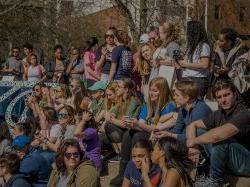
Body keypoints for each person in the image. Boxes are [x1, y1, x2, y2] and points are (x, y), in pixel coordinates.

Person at [110, 77, 174, 186]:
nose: (151, 93)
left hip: (160, 137)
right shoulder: (148, 104)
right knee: (128, 134)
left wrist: (138, 124)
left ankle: (135, 170)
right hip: (148, 133)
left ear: (162, 91)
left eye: (155, 90)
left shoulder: (168, 107)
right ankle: (124, 171)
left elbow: (158, 129)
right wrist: (132, 124)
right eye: (150, 90)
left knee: (137, 136)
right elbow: (141, 123)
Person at [186, 80, 250, 185]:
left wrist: (193, 141)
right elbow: (192, 125)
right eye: (219, 97)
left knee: (221, 140)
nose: (223, 100)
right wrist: (193, 146)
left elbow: (218, 136)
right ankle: (205, 171)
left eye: (226, 95)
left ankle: (215, 182)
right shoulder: (218, 113)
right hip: (229, 161)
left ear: (234, 94)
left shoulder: (244, 113)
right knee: (200, 131)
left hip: (246, 162)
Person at [104, 78, 141, 157]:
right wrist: (113, 119)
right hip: (123, 130)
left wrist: (112, 119)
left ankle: (123, 154)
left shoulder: (133, 101)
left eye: (119, 87)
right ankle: (117, 153)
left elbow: (125, 124)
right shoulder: (121, 102)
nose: (116, 89)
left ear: (126, 89)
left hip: (132, 132)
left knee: (109, 126)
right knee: (107, 126)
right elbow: (109, 115)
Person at [176, 21, 211, 99]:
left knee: (194, 104)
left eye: (188, 31)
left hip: (197, 80)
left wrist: (185, 64)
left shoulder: (204, 46)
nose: (186, 34)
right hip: (186, 78)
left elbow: (205, 64)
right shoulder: (190, 47)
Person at [150, 21, 181, 88]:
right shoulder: (165, 45)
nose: (158, 35)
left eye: (159, 33)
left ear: (166, 33)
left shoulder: (173, 45)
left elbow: (177, 62)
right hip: (164, 77)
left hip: (170, 79)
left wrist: (159, 62)